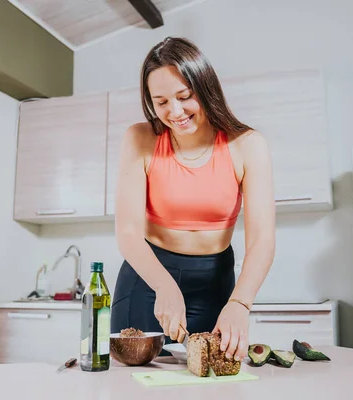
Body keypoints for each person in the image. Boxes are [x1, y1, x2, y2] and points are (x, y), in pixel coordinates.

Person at [111, 36, 276, 362]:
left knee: (212, 380)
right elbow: (128, 233)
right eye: (160, 102)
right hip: (149, 279)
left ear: (205, 87)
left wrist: (240, 303)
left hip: (216, 282)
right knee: (134, 383)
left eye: (184, 97)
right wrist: (164, 285)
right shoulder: (139, 139)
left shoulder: (247, 145)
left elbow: (262, 239)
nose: (174, 112)